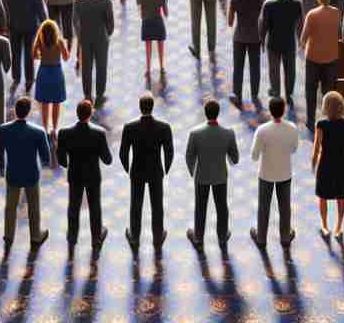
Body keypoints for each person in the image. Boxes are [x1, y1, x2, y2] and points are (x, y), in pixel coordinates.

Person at [0, 96, 52, 247]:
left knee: (10, 206)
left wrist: (2, 168)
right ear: (28, 112)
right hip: (31, 174)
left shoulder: (3, 129)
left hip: (12, 173)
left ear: (14, 110)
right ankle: (35, 236)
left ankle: (8, 235)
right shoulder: (38, 132)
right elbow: (46, 158)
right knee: (34, 207)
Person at [118, 92, 174, 248]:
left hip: (137, 170)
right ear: (152, 107)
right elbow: (169, 151)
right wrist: (166, 167)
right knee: (157, 205)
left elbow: (123, 152)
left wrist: (127, 168)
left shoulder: (129, 128)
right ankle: (157, 236)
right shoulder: (164, 127)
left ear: (140, 107)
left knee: (136, 205)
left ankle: (135, 237)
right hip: (156, 171)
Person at [55, 98, 112, 250]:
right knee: (95, 206)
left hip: (75, 174)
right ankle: (96, 238)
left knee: (73, 205)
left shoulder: (64, 133)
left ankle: (72, 237)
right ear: (90, 113)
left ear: (77, 113)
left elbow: (61, 158)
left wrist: (67, 164)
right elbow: (107, 160)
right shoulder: (99, 133)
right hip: (93, 175)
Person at [185, 98, 241, 247]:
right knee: (222, 207)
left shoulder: (195, 133)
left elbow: (189, 156)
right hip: (220, 176)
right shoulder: (228, 133)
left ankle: (198, 237)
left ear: (205, 113)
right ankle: (222, 236)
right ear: (218, 113)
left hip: (201, 176)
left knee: (200, 207)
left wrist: (193, 172)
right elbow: (235, 159)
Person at [248, 95, 300, 246]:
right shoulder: (292, 128)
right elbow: (294, 149)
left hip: (266, 174)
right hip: (285, 173)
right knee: (285, 207)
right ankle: (285, 237)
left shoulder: (262, 130)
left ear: (269, 111)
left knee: (263, 206)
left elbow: (254, 156)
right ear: (284, 111)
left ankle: (261, 238)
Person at [314, 89, 344, 236]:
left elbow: (316, 149)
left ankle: (325, 226)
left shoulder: (321, 124)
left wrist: (314, 164)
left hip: (325, 163)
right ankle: (339, 227)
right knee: (341, 196)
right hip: (341, 162)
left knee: (323, 196)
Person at [31, 18, 70, 134]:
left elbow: (34, 55)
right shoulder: (59, 41)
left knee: (45, 102)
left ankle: (45, 127)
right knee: (56, 102)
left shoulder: (40, 40)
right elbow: (66, 58)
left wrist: (41, 55)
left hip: (43, 72)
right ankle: (54, 128)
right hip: (56, 73)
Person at [137, 0, 168, 76]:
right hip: (158, 23)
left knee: (148, 47)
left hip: (146, 23)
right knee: (160, 46)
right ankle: (162, 67)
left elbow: (138, 3)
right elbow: (166, 13)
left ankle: (148, 69)